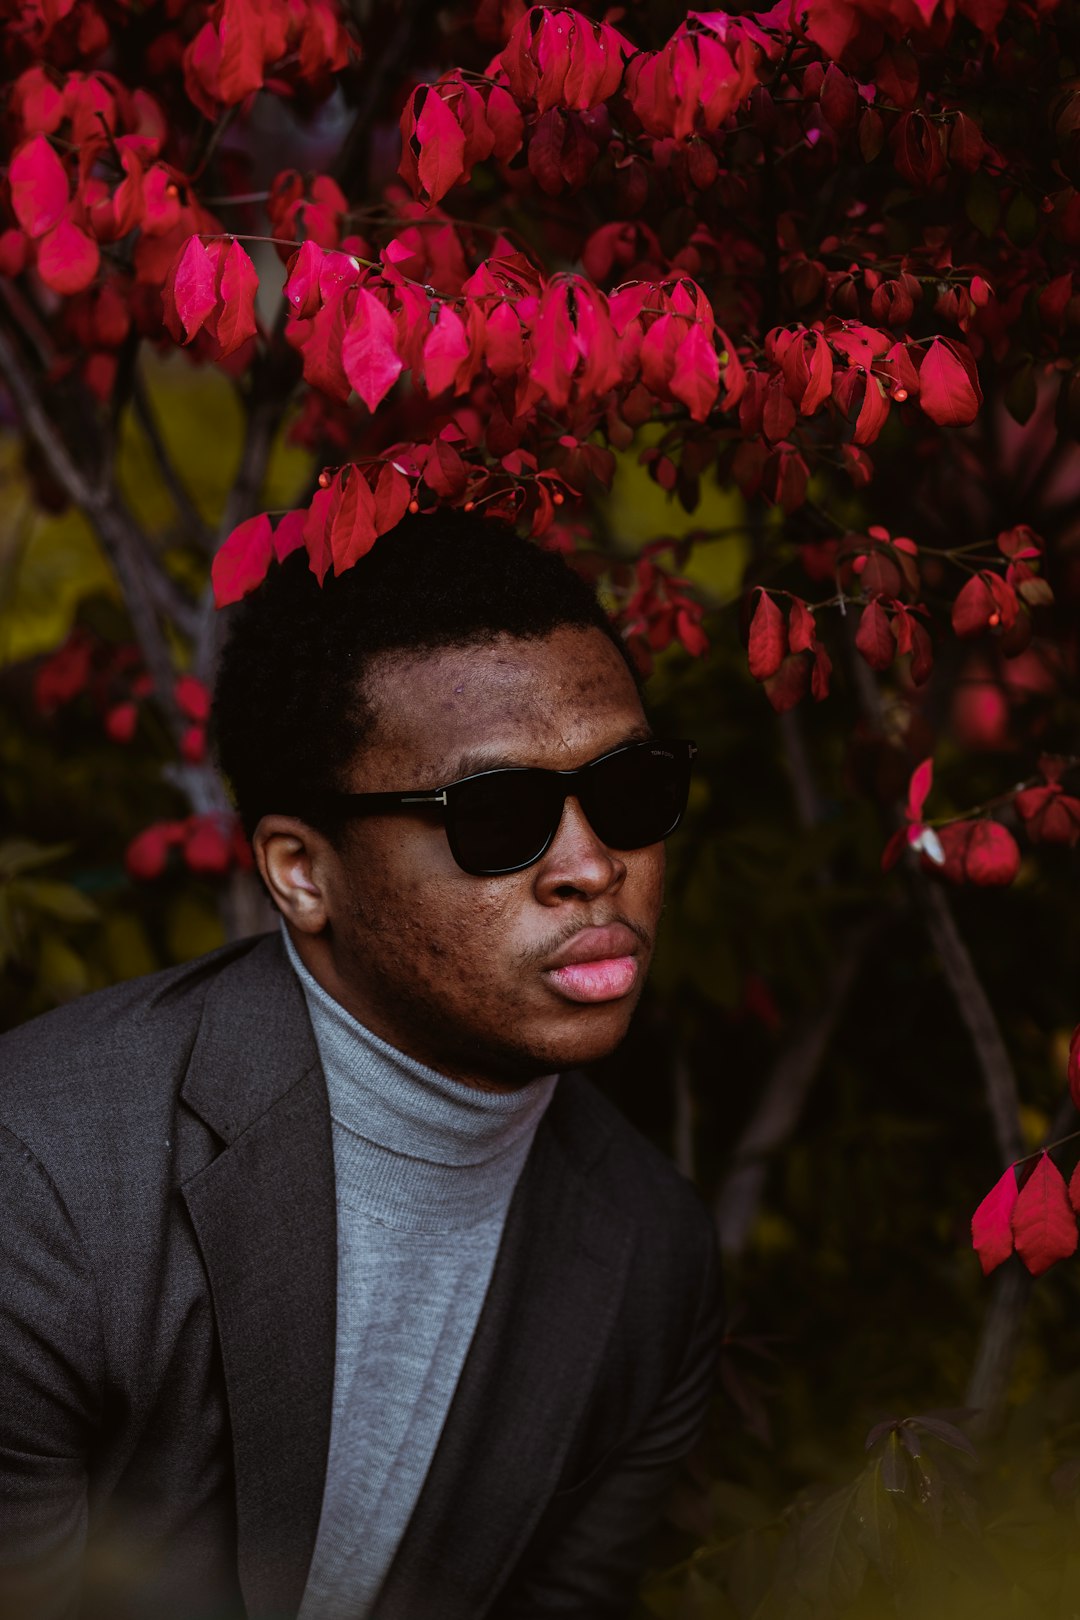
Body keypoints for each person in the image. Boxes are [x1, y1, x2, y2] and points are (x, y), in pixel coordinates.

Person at [0, 510, 722, 1620]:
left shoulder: (649, 1252)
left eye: (630, 793)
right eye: (499, 815)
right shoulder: (44, 1180)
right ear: (301, 872)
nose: (591, 866)